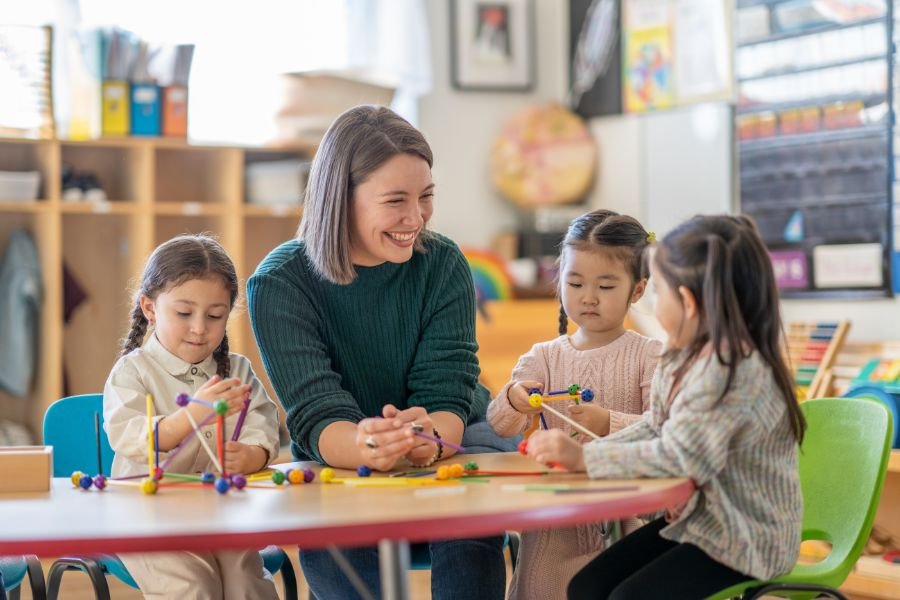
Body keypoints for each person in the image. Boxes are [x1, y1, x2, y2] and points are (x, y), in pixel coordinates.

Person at [247, 105, 511, 600]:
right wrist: (369, 446)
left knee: (468, 523)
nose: (416, 218)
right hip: (340, 458)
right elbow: (317, 411)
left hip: (447, 440)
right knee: (337, 545)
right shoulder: (280, 283)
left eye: (426, 196)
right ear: (339, 200)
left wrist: (428, 439)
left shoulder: (443, 263)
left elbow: (449, 392)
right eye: (396, 201)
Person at [526, 215, 806, 600]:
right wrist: (587, 453)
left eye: (660, 292)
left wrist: (585, 461)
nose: (653, 302)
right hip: (701, 526)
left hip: (745, 541)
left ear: (687, 303)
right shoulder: (684, 354)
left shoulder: (733, 371)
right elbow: (657, 427)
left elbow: (682, 457)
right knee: (586, 587)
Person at [488, 209, 662, 600]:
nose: (587, 297)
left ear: (636, 291)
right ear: (559, 281)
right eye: (576, 282)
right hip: (555, 530)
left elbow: (664, 429)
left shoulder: (649, 355)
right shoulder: (544, 356)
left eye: (605, 286)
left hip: (628, 522)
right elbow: (500, 425)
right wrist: (516, 400)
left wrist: (607, 422)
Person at [103, 234, 281, 600]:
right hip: (143, 516)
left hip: (218, 511)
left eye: (215, 316)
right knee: (193, 585)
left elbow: (263, 425)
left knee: (246, 581)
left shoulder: (237, 371)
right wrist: (192, 415)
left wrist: (253, 454)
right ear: (150, 309)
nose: (200, 328)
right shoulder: (132, 371)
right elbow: (131, 437)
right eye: (184, 313)